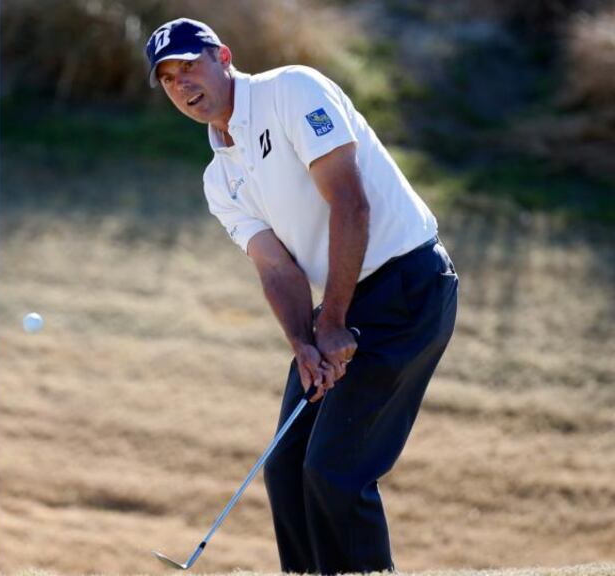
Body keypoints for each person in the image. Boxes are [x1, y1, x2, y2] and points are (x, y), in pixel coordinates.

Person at [145, 18, 459, 575]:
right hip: (344, 300)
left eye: (190, 65)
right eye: (168, 79)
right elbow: (276, 268)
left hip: (407, 287)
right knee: (287, 466)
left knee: (335, 470)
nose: (182, 84)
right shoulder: (220, 179)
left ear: (223, 56)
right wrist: (304, 344)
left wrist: (333, 320)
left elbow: (350, 204)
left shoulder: (290, 90)